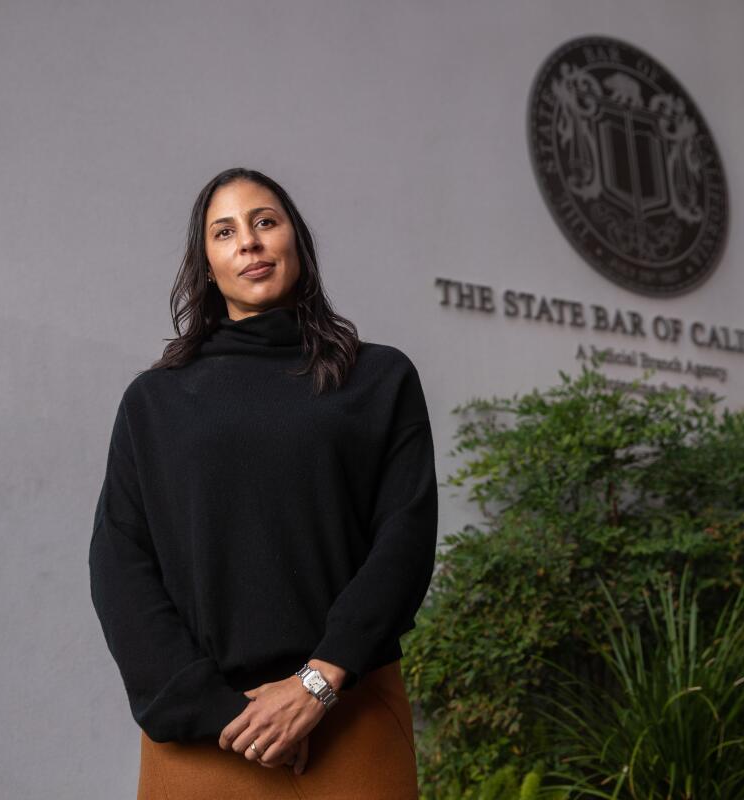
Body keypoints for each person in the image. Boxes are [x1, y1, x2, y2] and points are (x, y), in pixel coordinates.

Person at [88, 167, 439, 799]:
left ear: (296, 243)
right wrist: (225, 715)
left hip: (349, 715)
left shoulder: (379, 379)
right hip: (208, 738)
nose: (248, 241)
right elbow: (120, 561)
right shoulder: (155, 402)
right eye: (224, 232)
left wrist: (317, 684)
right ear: (207, 263)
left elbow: (405, 538)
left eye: (265, 222)